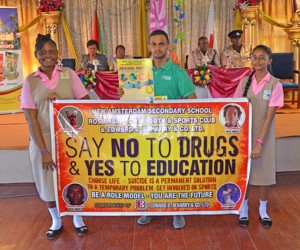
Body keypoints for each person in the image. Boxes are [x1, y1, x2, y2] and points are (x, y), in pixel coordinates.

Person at [118, 29, 196, 229]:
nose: (158, 48)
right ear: (149, 47)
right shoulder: (138, 70)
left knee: (172, 172)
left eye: (162, 44)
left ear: (168, 46)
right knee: (148, 171)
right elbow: (129, 99)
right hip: (144, 131)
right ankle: (151, 208)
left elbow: (192, 102)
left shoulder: (178, 73)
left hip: (170, 132)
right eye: (154, 44)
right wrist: (124, 92)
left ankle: (176, 211)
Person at [20, 34, 90, 240]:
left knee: (75, 179)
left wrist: (64, 101)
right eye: (43, 52)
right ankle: (56, 221)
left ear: (58, 54)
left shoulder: (69, 74)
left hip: (69, 139)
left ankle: (78, 218)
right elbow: (30, 118)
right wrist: (43, 151)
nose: (48, 55)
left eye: (52, 51)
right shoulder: (30, 81)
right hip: (42, 140)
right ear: (37, 55)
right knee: (47, 182)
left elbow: (85, 105)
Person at [234, 45, 284, 228]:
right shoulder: (244, 81)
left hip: (264, 135)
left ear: (270, 60)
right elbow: (235, 107)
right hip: (245, 135)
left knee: (264, 172)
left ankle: (263, 210)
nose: (258, 61)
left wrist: (259, 143)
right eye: (254, 57)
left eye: (262, 58)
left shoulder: (275, 84)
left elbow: (269, 118)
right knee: (245, 173)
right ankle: (244, 208)